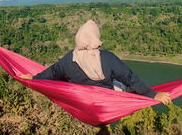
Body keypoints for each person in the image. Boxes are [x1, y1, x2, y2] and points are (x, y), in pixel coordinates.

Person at [21, 20, 171, 105]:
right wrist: (152, 95)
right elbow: (129, 77)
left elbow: (52, 73)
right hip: (108, 100)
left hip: (83, 100)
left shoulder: (68, 59)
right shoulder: (107, 57)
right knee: (122, 83)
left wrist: (34, 79)